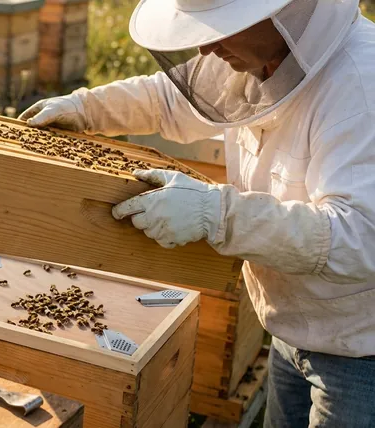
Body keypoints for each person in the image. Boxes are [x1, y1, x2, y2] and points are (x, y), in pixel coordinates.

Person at [19, 0, 375, 426]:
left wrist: (217, 214)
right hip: (292, 331)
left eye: (223, 26)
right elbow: (169, 98)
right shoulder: (258, 56)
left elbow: (360, 237)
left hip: (360, 353)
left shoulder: (360, 83)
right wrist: (85, 108)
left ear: (278, 11)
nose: (206, 48)